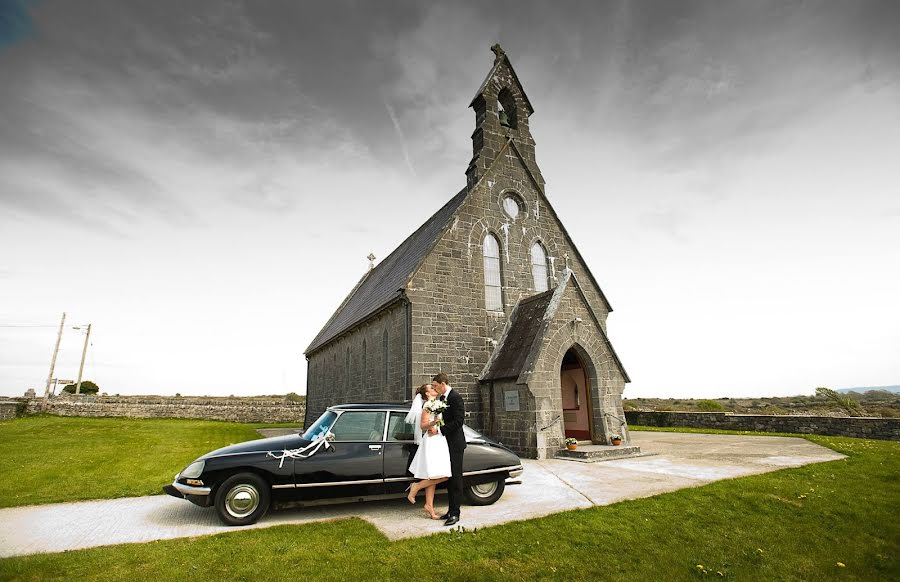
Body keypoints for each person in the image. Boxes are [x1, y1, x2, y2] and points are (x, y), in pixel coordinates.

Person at [405, 383, 451, 519]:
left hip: (439, 439)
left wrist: (439, 425)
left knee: (432, 475)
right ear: (427, 394)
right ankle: (416, 486)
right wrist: (433, 422)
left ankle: (429, 506)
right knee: (444, 475)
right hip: (432, 442)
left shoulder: (437, 403)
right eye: (431, 388)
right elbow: (422, 425)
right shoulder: (427, 406)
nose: (433, 389)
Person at [432, 372, 465, 526]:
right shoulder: (442, 399)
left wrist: (440, 430)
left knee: (456, 478)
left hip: (456, 444)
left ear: (443, 384)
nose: (434, 388)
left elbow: (459, 421)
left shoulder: (455, 397)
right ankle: (450, 510)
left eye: (435, 386)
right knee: (449, 477)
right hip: (445, 444)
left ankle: (456, 513)